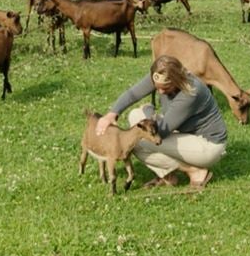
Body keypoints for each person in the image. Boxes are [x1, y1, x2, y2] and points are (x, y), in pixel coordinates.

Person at [96, 55, 227, 190]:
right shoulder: (160, 75)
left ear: (177, 81)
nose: (160, 91)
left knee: (137, 141)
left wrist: (148, 110)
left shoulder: (190, 93)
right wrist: (112, 114)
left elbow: (161, 132)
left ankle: (194, 171)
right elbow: (133, 94)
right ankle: (169, 176)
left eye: (165, 89)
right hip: (183, 133)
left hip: (208, 145)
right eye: (157, 87)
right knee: (135, 117)